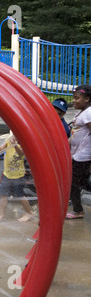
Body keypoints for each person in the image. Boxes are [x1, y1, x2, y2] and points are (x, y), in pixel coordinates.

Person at [0, 136, 35, 223]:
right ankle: (2, 215)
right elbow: (0, 149)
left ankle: (29, 213)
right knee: (3, 195)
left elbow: (21, 154)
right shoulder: (9, 140)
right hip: (7, 173)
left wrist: (15, 145)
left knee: (19, 195)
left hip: (18, 175)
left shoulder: (24, 142)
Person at [67, 85, 91, 219]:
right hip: (78, 155)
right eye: (73, 98)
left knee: (74, 184)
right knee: (81, 183)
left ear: (87, 99)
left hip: (84, 156)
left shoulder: (89, 112)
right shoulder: (81, 113)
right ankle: (77, 210)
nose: (74, 101)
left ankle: (78, 210)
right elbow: (76, 134)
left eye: (77, 98)